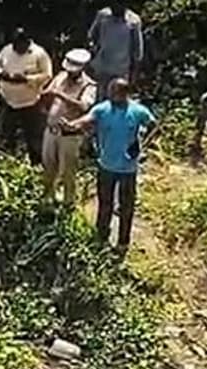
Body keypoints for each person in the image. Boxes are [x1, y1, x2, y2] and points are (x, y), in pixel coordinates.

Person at [60, 78, 158, 255]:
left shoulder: (137, 111)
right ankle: (101, 238)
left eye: (116, 93)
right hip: (106, 166)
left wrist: (142, 145)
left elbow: (153, 125)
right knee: (105, 204)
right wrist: (71, 125)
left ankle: (122, 243)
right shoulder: (103, 108)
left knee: (127, 206)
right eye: (111, 92)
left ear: (125, 94)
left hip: (128, 168)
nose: (112, 96)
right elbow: (86, 119)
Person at [40, 48, 98, 204]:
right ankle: (48, 198)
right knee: (48, 166)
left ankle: (68, 201)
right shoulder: (60, 77)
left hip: (70, 135)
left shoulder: (89, 86)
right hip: (51, 129)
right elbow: (48, 94)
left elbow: (84, 107)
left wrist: (60, 95)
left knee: (68, 171)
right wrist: (45, 97)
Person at [0, 26, 53, 168]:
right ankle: (6, 161)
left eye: (20, 45)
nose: (17, 48)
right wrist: (1, 74)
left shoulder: (39, 54)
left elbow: (47, 74)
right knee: (6, 132)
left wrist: (27, 79)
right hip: (8, 101)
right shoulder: (7, 50)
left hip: (30, 103)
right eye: (15, 45)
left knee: (33, 135)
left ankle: (36, 163)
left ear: (27, 42)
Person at [87, 0, 144, 92]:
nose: (115, 9)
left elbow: (137, 51)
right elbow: (92, 35)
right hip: (101, 67)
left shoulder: (133, 21)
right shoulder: (103, 15)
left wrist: (134, 74)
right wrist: (93, 50)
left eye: (118, 6)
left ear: (125, 6)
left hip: (120, 70)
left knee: (117, 100)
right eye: (113, 6)